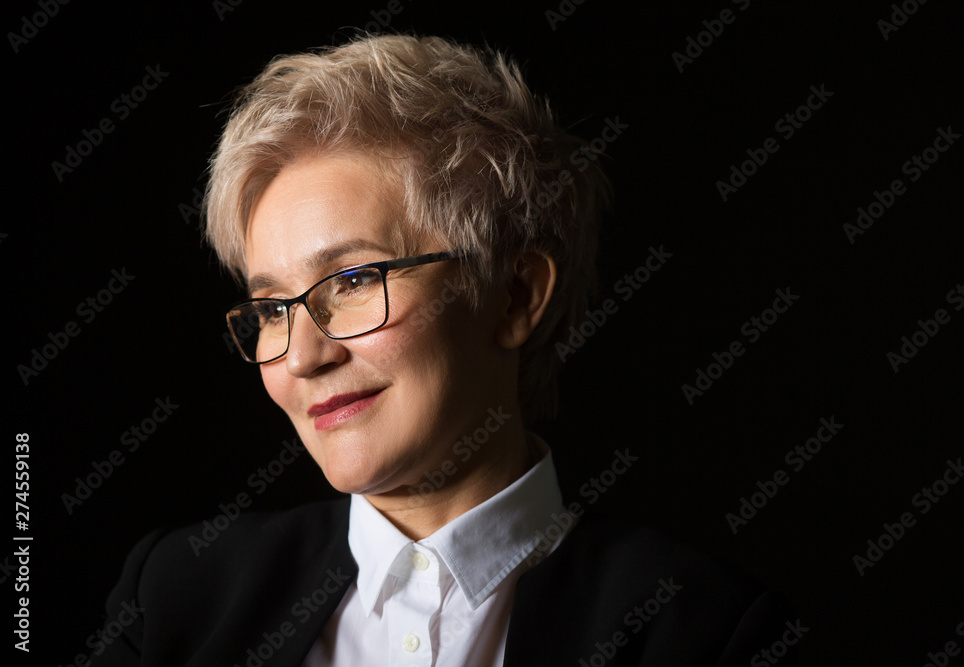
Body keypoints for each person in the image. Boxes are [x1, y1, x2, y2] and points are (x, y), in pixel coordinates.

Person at [90, 33, 795, 666]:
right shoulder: (175, 593)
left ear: (515, 296)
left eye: (355, 279)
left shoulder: (705, 634)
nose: (302, 357)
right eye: (273, 309)